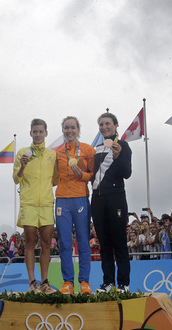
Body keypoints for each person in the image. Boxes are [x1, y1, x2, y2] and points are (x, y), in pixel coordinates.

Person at [13, 118, 58, 293]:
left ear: (46, 133)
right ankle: (32, 283)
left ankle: (45, 282)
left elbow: (55, 178)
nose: (38, 134)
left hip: (46, 204)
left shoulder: (51, 154)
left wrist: (44, 190)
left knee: (47, 243)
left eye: (41, 131)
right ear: (30, 133)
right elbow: (16, 178)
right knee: (30, 243)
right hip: (29, 204)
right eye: (35, 131)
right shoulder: (23, 153)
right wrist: (23, 166)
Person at [91, 112, 132, 293]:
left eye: (107, 124)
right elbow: (91, 175)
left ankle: (123, 284)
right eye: (101, 124)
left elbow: (126, 173)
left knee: (119, 242)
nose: (104, 127)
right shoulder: (96, 149)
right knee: (105, 244)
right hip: (97, 199)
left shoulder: (122, 145)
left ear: (115, 125)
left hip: (116, 198)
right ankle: (108, 283)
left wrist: (117, 157)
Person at [55, 116, 95, 295]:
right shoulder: (57, 153)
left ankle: (84, 282)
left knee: (83, 242)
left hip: (80, 198)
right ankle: (67, 283)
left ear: (78, 130)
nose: (69, 131)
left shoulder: (88, 149)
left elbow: (93, 174)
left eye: (72, 128)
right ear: (62, 130)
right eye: (66, 128)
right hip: (62, 199)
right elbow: (53, 178)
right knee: (64, 242)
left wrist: (82, 176)